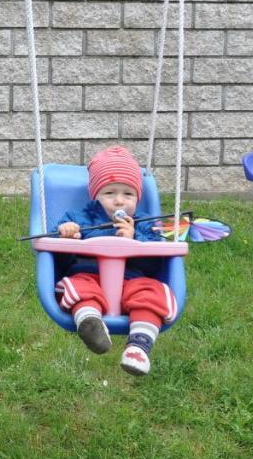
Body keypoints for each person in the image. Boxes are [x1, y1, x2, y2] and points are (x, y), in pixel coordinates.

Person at [49, 146, 178, 376]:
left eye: (128, 194)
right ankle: (91, 324)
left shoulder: (146, 223)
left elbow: (158, 261)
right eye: (110, 194)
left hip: (133, 281)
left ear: (138, 198)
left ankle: (138, 348)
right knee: (75, 286)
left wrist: (134, 238)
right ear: (96, 195)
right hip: (90, 276)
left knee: (154, 291)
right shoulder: (79, 218)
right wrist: (66, 234)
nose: (119, 201)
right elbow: (57, 255)